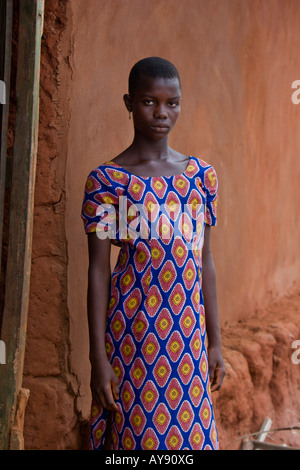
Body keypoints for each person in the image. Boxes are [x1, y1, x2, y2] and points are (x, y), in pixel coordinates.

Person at [81, 57, 225, 450]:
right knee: (137, 437)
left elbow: (204, 260)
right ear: (129, 103)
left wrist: (214, 341)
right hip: (133, 335)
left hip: (188, 336)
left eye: (172, 103)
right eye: (149, 102)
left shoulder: (200, 178)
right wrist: (98, 358)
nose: (162, 113)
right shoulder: (108, 182)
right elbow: (98, 271)